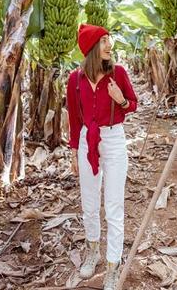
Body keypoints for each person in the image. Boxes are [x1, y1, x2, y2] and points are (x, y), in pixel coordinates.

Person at [66, 24, 138, 290]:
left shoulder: (118, 73)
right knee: (89, 203)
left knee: (114, 205)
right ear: (92, 48)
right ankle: (93, 250)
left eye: (110, 40)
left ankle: (112, 265)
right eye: (104, 41)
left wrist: (120, 101)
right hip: (87, 140)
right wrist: (74, 151)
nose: (110, 45)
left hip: (114, 139)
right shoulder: (75, 79)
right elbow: (74, 119)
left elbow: (133, 103)